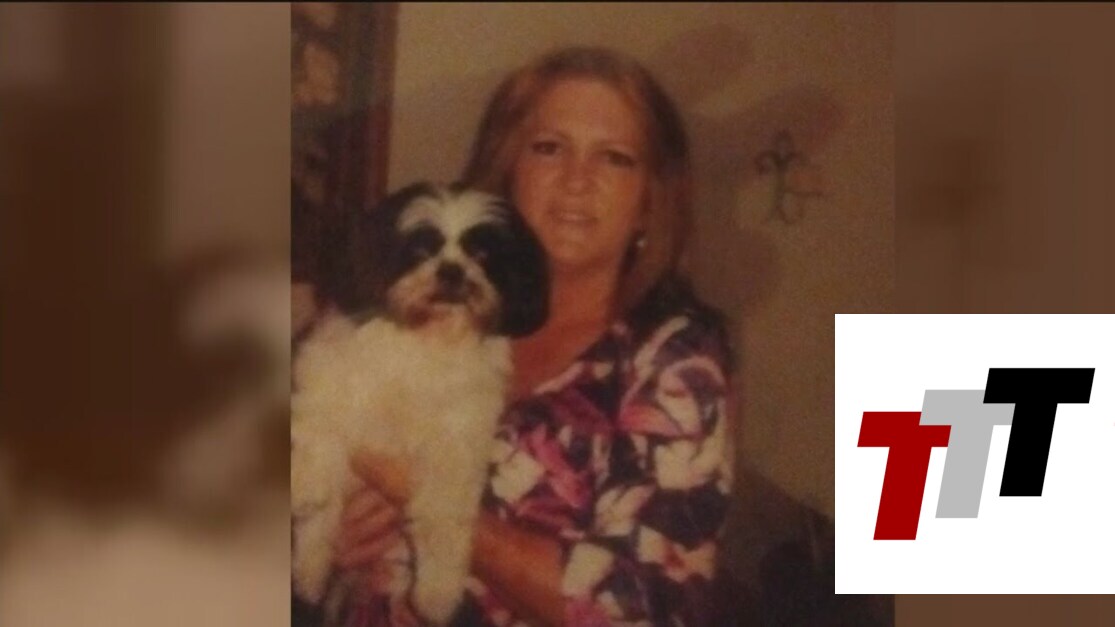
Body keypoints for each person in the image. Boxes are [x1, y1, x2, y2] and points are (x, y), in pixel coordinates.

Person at [332, 46, 736, 626]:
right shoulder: (438, 303)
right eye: (549, 148)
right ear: (509, 171)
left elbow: (649, 609)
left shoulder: (676, 358)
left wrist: (430, 503)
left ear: (650, 202)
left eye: (615, 158)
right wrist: (335, 535)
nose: (577, 180)